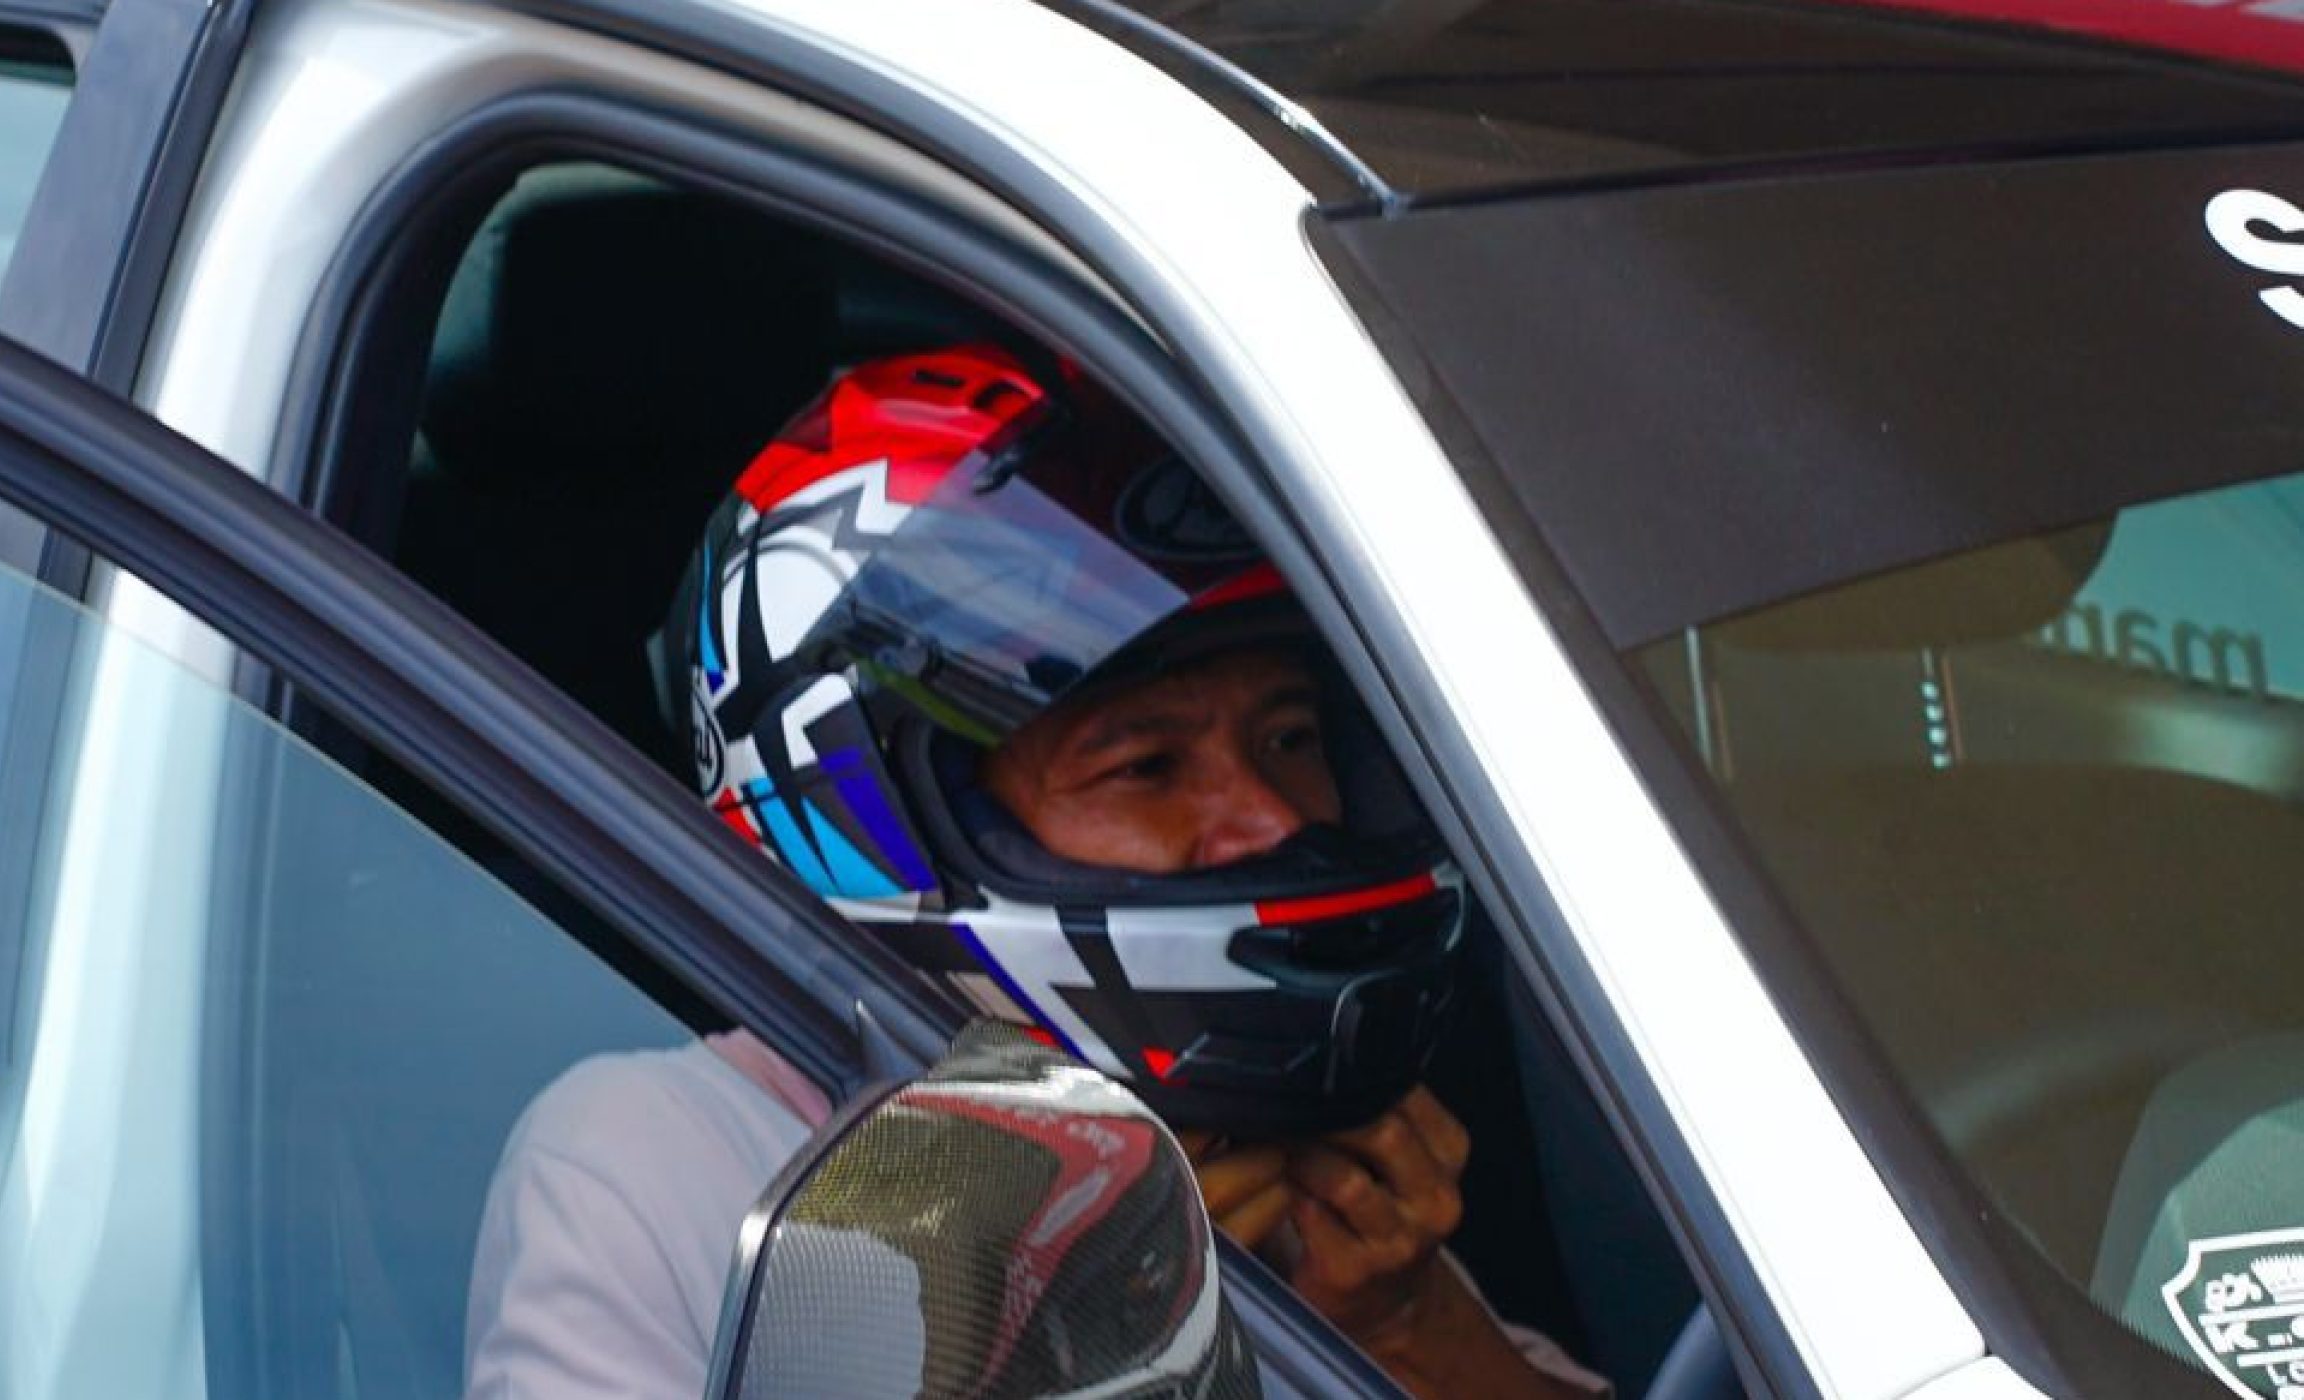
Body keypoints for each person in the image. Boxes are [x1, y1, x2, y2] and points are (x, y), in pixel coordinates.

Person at [464, 345, 1605, 1399]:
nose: (1268, 819)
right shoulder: (663, 1158)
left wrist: (1411, 1329)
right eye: (1148, 765)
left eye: (1291, 738)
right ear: (882, 816)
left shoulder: (1264, 1118)